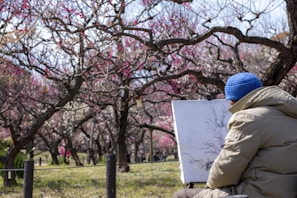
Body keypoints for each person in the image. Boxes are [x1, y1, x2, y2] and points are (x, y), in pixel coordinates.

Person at [173, 72, 297, 198]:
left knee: (183, 195)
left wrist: (209, 188)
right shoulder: (291, 113)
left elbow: (226, 169)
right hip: (288, 192)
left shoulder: (249, 118)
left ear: (233, 101)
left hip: (258, 192)